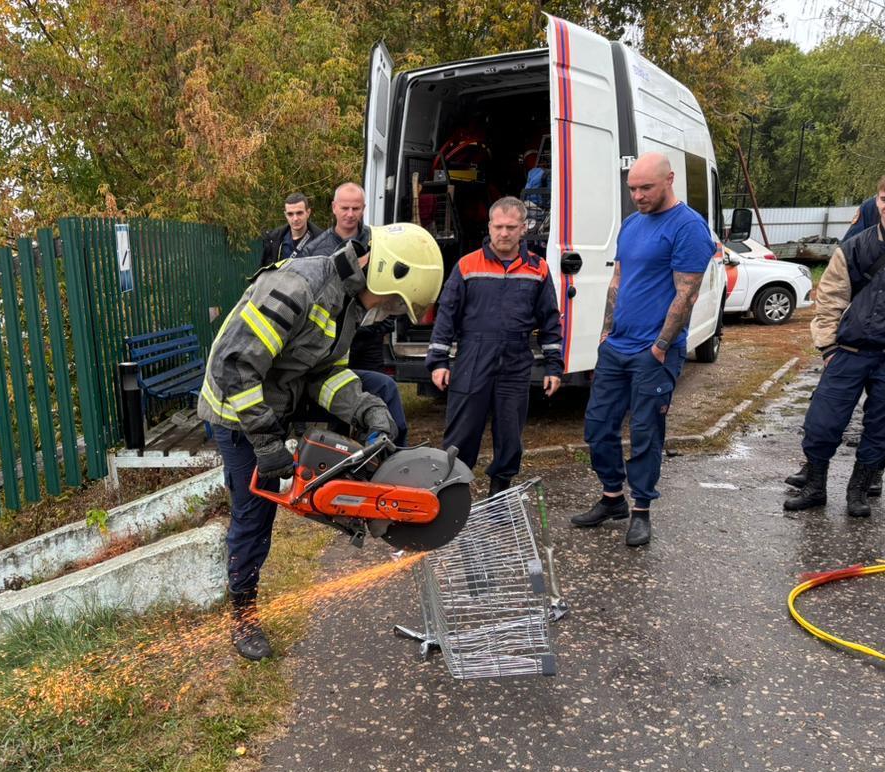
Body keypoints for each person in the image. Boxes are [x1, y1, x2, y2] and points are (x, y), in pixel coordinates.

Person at [198, 223, 443, 661]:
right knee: (255, 515)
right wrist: (266, 441)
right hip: (237, 411)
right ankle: (243, 613)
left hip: (279, 396)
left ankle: (381, 479)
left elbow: (324, 374)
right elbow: (236, 367)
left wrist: (363, 410)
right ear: (386, 275)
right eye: (391, 303)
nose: (386, 313)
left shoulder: (346, 304)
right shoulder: (297, 288)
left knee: (380, 394)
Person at [570, 153, 715, 547]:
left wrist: (661, 346)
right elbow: (618, 279)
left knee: (646, 433)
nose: (637, 195)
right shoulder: (632, 225)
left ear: (669, 180)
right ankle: (613, 498)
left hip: (655, 351)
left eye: (645, 188)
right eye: (632, 188)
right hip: (617, 346)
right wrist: (604, 332)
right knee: (598, 427)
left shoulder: (689, 228)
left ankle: (641, 509)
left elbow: (686, 294)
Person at [783, 167, 885, 517]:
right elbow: (830, 298)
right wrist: (828, 347)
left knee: (882, 428)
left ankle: (858, 490)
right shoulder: (854, 246)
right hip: (848, 352)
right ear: (876, 199)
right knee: (822, 423)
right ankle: (815, 486)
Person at [425, 197, 563, 495]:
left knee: (510, 435)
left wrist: (554, 366)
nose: (504, 233)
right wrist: (438, 362)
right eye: (498, 226)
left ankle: (499, 498)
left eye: (511, 227)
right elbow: (447, 314)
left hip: (515, 361)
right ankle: (450, 497)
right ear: (489, 226)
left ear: (523, 228)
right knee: (462, 434)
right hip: (473, 357)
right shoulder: (467, 265)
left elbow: (550, 319)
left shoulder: (538, 269)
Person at [299, 182, 409, 445]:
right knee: (338, 406)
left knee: (376, 400)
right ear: (334, 208)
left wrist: (378, 328)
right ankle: (340, 459)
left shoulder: (380, 243)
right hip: (332, 347)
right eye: (345, 208)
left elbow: (394, 290)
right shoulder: (315, 250)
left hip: (368, 342)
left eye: (356, 208)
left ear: (364, 209)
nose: (350, 214)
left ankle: (380, 455)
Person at [259, 192, 322, 267]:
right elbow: (264, 273)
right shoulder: (274, 240)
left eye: (299, 213)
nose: (295, 219)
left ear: (308, 213)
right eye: (290, 214)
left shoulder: (322, 241)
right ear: (285, 215)